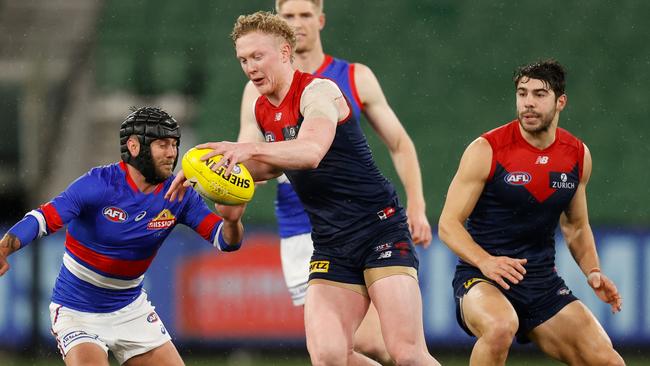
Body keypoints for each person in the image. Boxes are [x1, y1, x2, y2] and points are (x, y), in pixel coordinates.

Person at [167, 11, 438, 366]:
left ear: (283, 53)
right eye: (243, 60)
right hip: (329, 241)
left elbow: (310, 152)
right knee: (328, 356)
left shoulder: (318, 91)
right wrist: (209, 175)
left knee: (407, 354)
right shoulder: (262, 107)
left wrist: (248, 149)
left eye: (257, 56)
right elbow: (260, 170)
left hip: (379, 229)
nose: (249, 67)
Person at [0, 107, 246, 366]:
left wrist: (232, 220)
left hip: (131, 310)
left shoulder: (180, 194)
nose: (172, 153)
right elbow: (42, 219)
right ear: (134, 146)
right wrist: (5, 248)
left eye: (174, 144)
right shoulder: (98, 183)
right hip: (77, 311)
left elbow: (227, 241)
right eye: (163, 145)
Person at [437, 60, 624, 365]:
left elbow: (575, 227)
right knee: (500, 327)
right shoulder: (486, 149)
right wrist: (486, 262)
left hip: (540, 283)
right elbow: (448, 224)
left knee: (609, 362)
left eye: (539, 94)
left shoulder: (577, 155)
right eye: (522, 93)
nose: (528, 103)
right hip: (483, 278)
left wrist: (593, 272)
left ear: (560, 102)